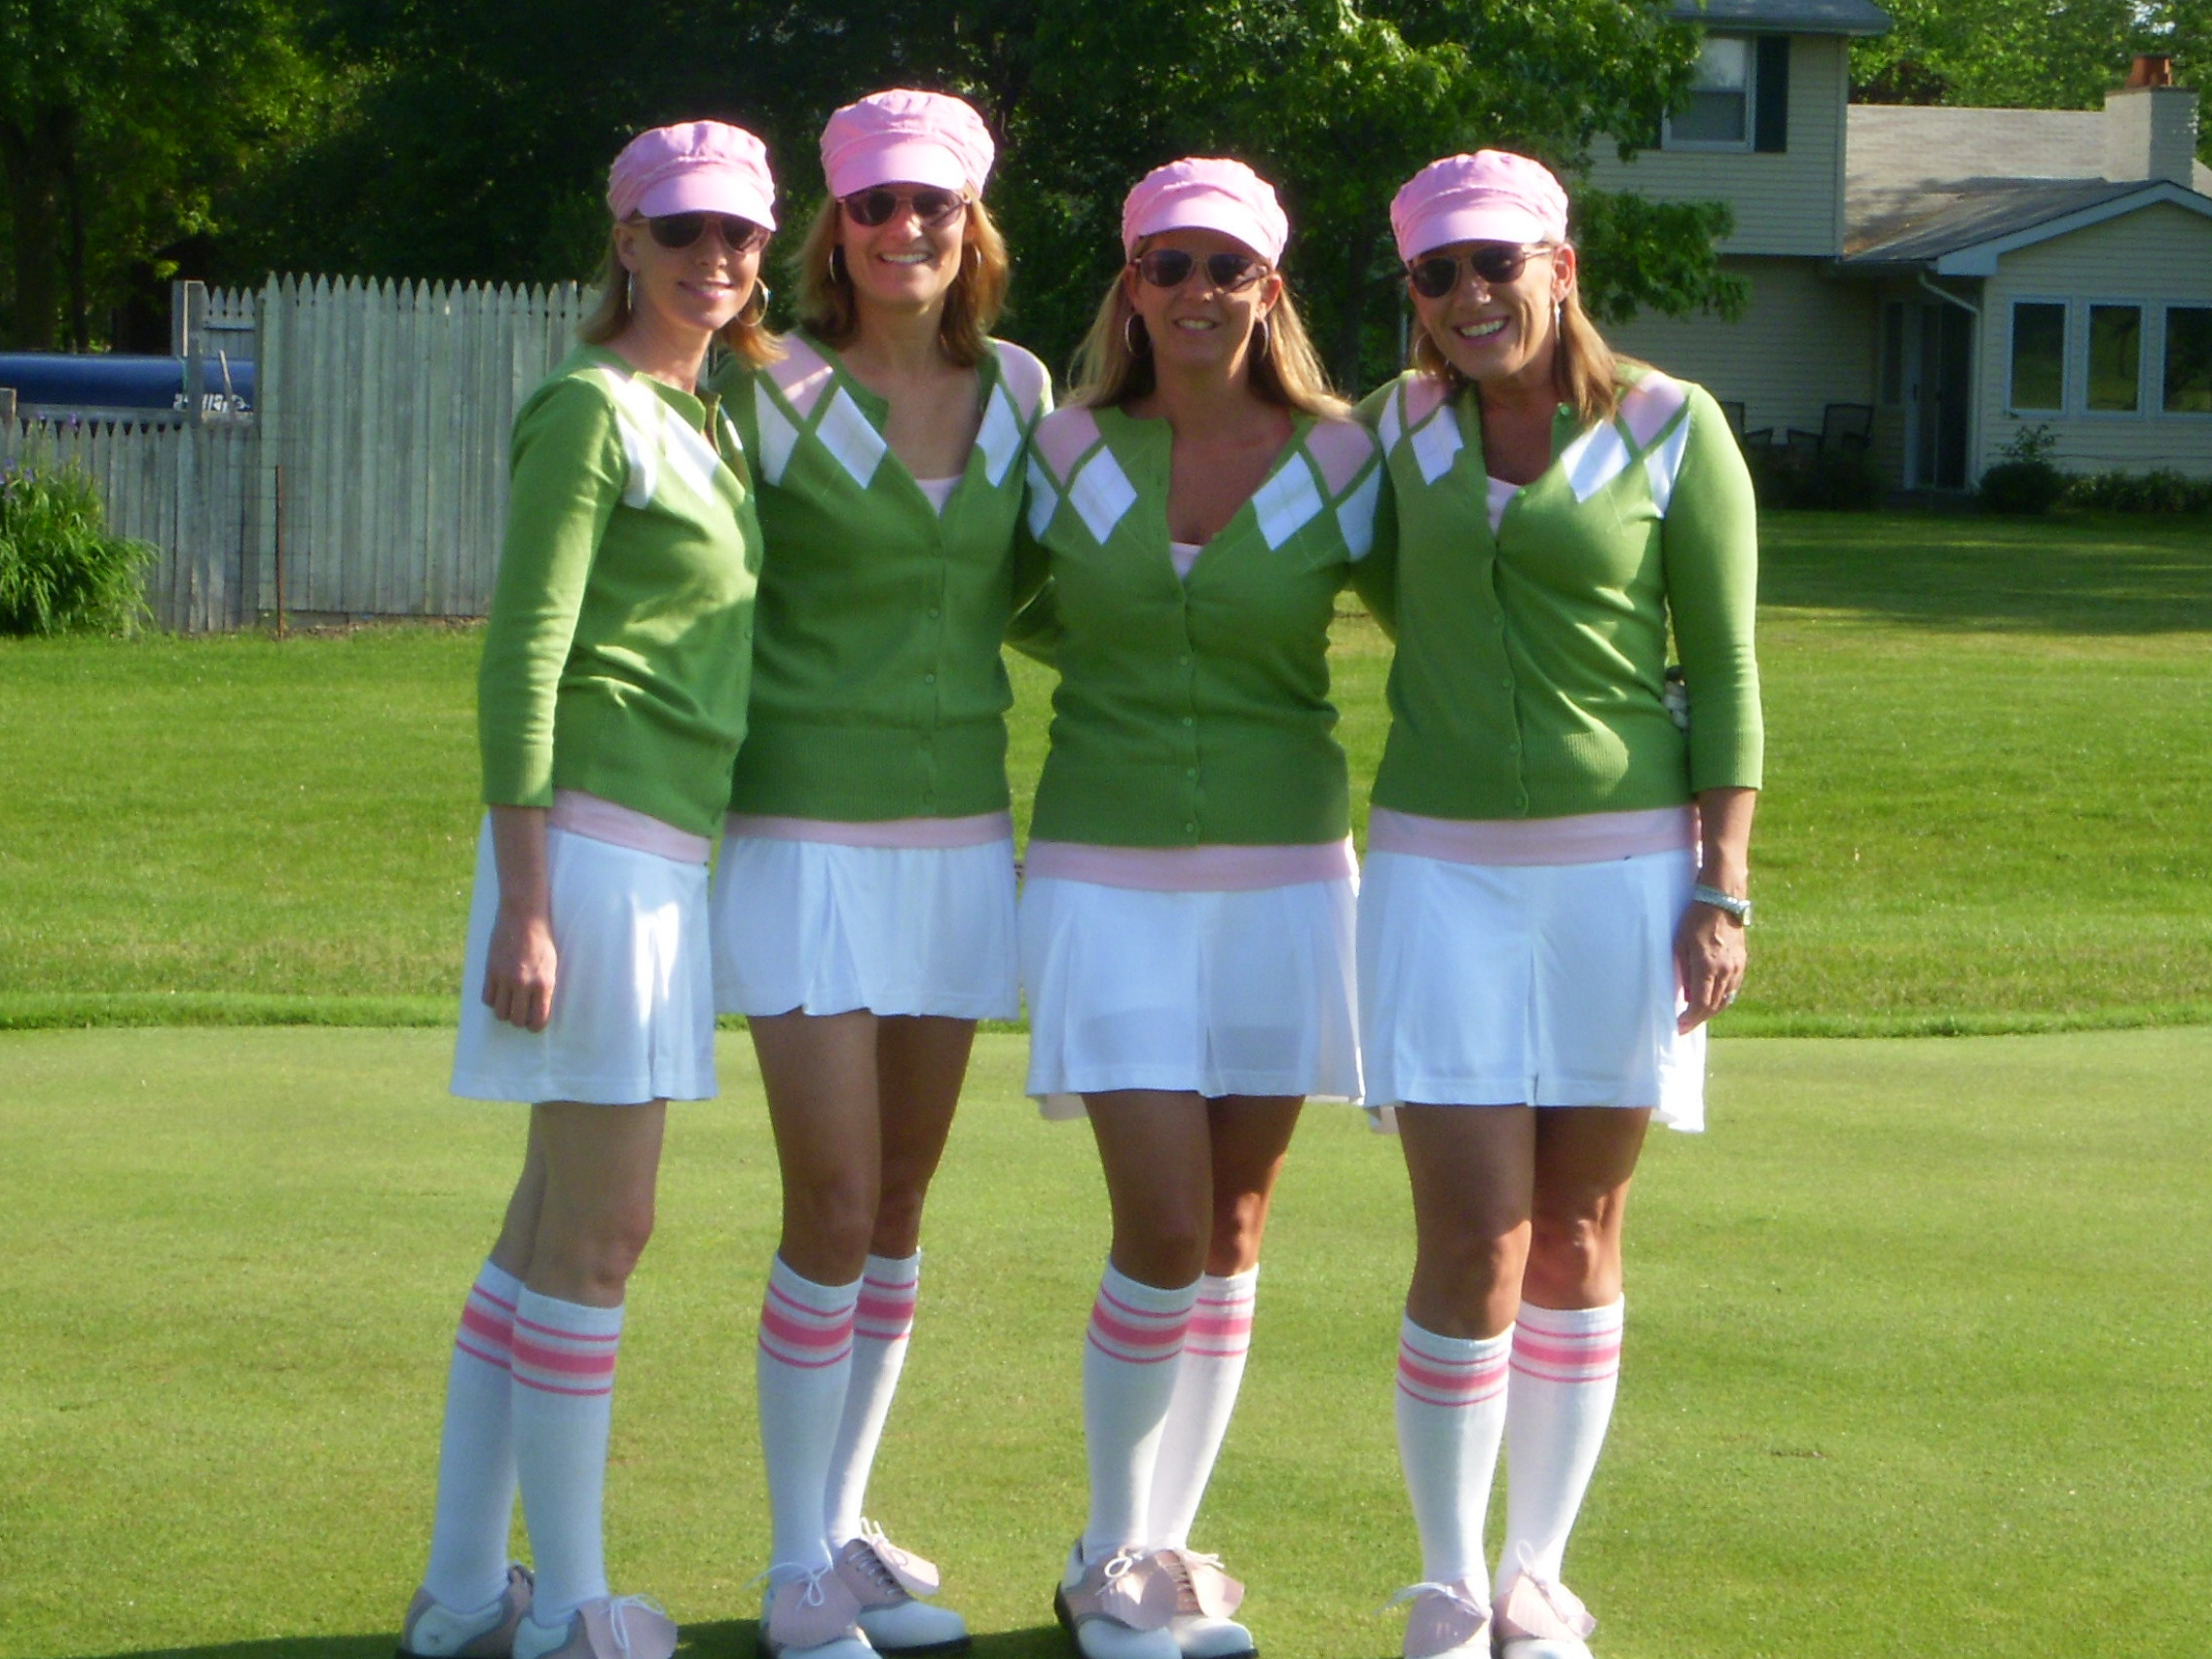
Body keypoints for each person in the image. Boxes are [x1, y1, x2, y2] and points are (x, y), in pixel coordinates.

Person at [1357, 151, 1760, 1659]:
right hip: (1438, 869)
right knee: (1473, 1236)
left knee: (1580, 1228)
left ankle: (1537, 1574)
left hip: (1627, 872)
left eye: (1496, 264)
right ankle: (1448, 1582)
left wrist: (1723, 886)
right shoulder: (1393, 430)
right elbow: (1384, 590)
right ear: (1414, 292)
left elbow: (1725, 668)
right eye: (1438, 273)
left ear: (1560, 266)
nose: (1470, 295)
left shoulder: (1671, 423)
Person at [395, 121, 777, 1659]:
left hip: (660, 858)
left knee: (543, 1231)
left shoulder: (712, 419)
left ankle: (463, 1596)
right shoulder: (591, 408)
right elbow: (524, 655)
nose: (713, 258)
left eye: (738, 234)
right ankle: (572, 1605)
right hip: (595, 859)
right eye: (681, 231)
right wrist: (531, 900)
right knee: (602, 1237)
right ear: (624, 239)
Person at [1014, 158, 1388, 1659]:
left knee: (1232, 1225)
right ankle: (1107, 1548)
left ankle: (1159, 1550)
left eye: (1225, 266)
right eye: (1166, 264)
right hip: (1104, 879)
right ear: (1131, 285)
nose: (1194, 290)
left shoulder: (1344, 459)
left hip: (1286, 878)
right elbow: (989, 597)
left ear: (1268, 288)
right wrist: (1122, 665)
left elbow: (1463, 617)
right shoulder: (1063, 449)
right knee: (1162, 1225)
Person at [705, 89, 1050, 1659]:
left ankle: (842, 1532)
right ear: (832, 228)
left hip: (961, 837)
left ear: (972, 226)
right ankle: (793, 1568)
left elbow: (1047, 589)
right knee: (833, 1199)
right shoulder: (762, 384)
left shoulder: (1022, 388)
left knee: (901, 1204)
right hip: (804, 839)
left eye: (934, 206)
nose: (905, 229)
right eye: (874, 206)